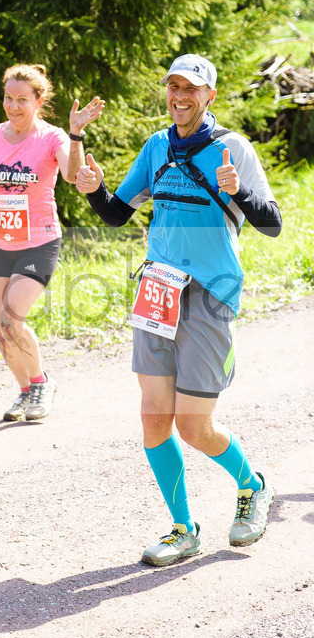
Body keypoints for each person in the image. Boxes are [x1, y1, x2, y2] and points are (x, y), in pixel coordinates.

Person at [75, 54, 282, 566]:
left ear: (210, 95)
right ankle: (183, 529)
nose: (180, 96)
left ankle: (252, 484)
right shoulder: (157, 147)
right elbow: (118, 213)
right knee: (153, 419)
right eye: (174, 86)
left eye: (191, 88)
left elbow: (272, 223)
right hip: (158, 290)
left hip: (210, 294)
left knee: (194, 427)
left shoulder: (233, 148)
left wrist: (240, 192)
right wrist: (95, 190)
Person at [0, 64, 104, 422]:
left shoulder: (52, 137)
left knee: (11, 320)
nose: (13, 106)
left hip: (38, 243)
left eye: (22, 100)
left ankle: (41, 383)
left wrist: (76, 134)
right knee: (0, 331)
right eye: (8, 98)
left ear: (39, 102)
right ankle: (25, 392)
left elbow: (72, 175)